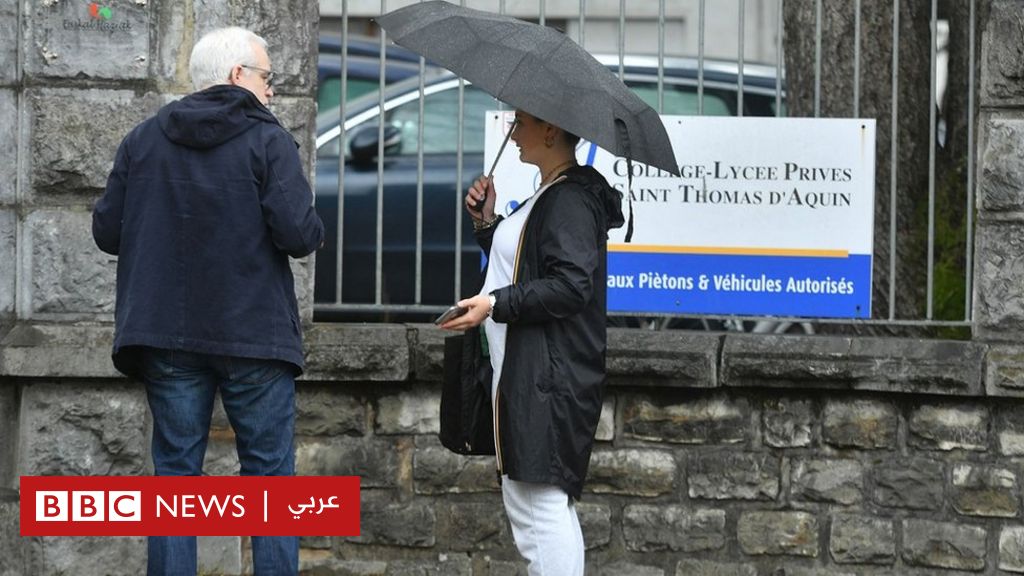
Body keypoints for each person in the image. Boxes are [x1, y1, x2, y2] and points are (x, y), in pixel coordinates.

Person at [92, 26, 323, 576]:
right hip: (255, 338)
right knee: (269, 483)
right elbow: (300, 235)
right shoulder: (268, 140)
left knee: (173, 477)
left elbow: (106, 232)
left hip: (167, 336)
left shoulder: (144, 139)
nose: (273, 91)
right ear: (239, 76)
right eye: (268, 78)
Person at [441, 110, 624, 575]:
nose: (512, 131)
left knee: (539, 509)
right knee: (533, 505)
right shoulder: (550, 194)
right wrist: (488, 225)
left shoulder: (570, 200)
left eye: (521, 122)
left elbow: (570, 286)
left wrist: (496, 304)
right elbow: (529, 266)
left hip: (549, 377)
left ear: (550, 130)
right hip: (528, 371)